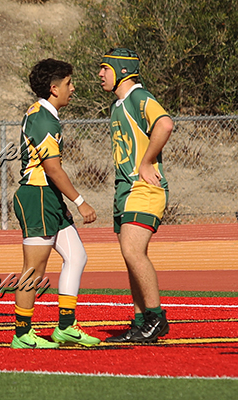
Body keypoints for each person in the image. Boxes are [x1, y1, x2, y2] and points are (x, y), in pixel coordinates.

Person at [11, 58, 100, 349]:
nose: (72, 89)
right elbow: (52, 169)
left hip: (48, 196)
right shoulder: (44, 119)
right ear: (53, 88)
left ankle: (65, 327)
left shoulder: (41, 113)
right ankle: (22, 333)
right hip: (37, 196)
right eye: (68, 83)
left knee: (77, 256)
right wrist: (80, 201)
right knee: (34, 270)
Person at [98, 48, 173, 343]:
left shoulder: (138, 97)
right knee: (130, 257)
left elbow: (165, 124)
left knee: (132, 252)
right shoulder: (118, 105)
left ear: (121, 70)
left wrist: (146, 161)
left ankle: (156, 318)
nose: (100, 74)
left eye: (105, 68)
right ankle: (141, 322)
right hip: (126, 190)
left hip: (143, 188)